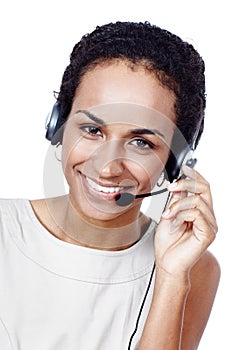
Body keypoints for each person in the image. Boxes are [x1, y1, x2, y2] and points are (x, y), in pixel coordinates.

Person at [0, 21, 220, 349]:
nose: (107, 167)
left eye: (142, 143)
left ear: (175, 160)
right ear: (58, 123)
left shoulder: (193, 267)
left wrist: (171, 277)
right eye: (92, 130)